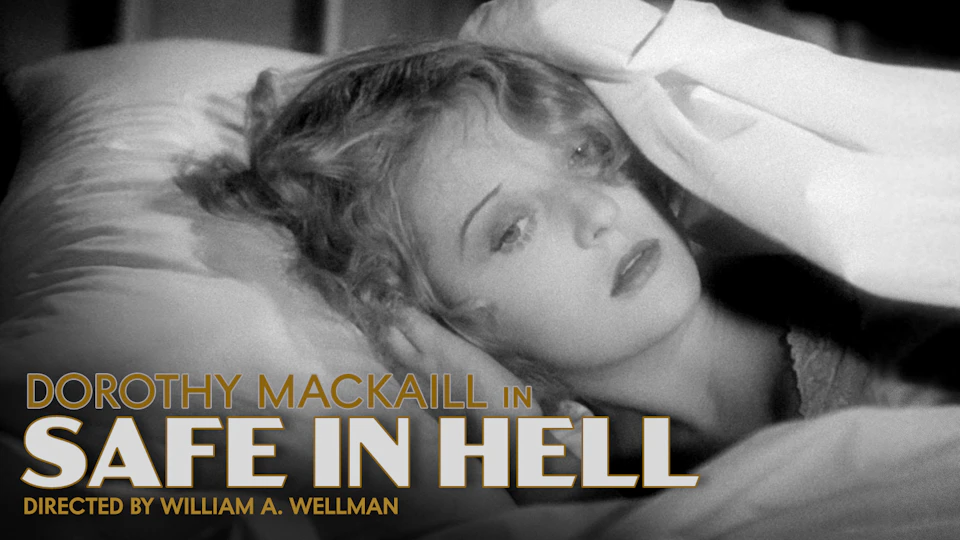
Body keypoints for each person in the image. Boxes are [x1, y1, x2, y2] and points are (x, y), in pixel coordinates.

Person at [178, 3, 960, 498]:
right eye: (512, 229)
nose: (596, 210)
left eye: (585, 156)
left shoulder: (878, 310)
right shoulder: (595, 478)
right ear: (432, 321)